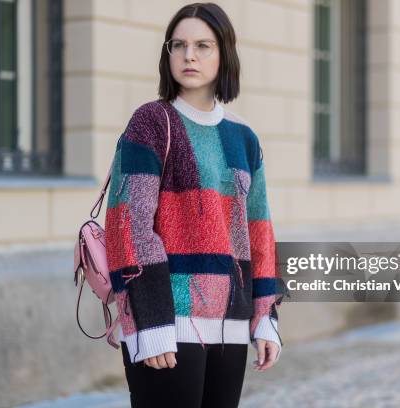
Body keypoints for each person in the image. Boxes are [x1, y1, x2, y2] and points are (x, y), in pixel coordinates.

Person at [104, 3, 287, 407]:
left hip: (231, 326)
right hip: (169, 324)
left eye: (203, 45)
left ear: (224, 55)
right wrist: (149, 322)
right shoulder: (151, 122)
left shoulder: (243, 137)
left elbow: (259, 231)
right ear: (167, 54)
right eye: (179, 45)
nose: (189, 55)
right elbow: (128, 227)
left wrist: (265, 318)